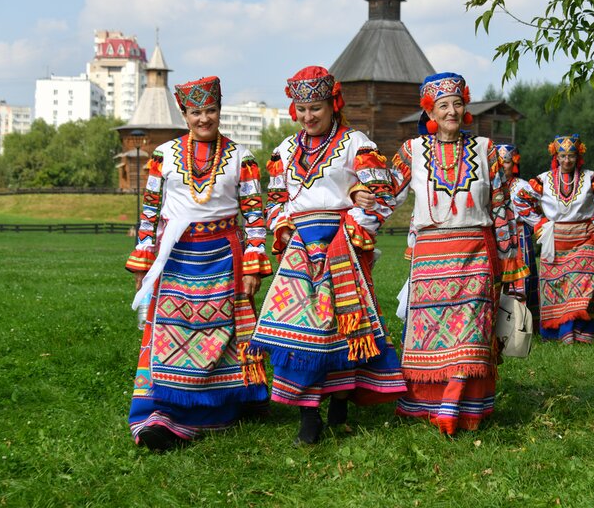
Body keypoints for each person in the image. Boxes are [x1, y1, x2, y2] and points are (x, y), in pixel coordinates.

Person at [249, 66, 407, 445]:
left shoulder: (356, 143)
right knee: (297, 329)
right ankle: (308, 414)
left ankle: (339, 403)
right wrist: (284, 227)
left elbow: (382, 195)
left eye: (315, 108)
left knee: (339, 328)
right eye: (302, 109)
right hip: (300, 248)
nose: (308, 117)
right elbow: (275, 202)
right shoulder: (285, 150)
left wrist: (355, 221)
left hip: (342, 244)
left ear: (333, 105)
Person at [125, 76, 273, 452]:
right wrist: (144, 261)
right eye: (196, 112)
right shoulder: (163, 156)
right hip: (175, 256)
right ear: (185, 114)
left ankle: (222, 403)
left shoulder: (241, 157)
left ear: (219, 111)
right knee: (171, 330)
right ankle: (162, 410)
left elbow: (255, 217)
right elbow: (149, 212)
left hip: (224, 255)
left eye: (210, 110)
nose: (203, 118)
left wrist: (253, 263)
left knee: (223, 332)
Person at [391, 72, 527, 435]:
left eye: (457, 103)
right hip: (430, 257)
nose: (451, 111)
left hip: (475, 253)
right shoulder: (412, 151)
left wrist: (510, 263)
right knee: (431, 332)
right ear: (430, 112)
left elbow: (501, 208)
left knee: (471, 329)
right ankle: (429, 404)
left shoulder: (486, 150)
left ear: (465, 107)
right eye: (443, 106)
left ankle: (453, 403)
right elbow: (387, 193)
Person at [513, 134, 594, 343]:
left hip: (584, 239)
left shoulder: (591, 178)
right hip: (554, 241)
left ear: (578, 156)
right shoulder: (543, 180)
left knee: (582, 285)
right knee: (555, 287)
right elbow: (520, 200)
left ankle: (578, 333)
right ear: (555, 156)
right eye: (562, 156)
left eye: (571, 155)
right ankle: (557, 333)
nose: (567, 160)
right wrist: (540, 223)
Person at [496, 144, 541, 327]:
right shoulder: (490, 186)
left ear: (514, 164)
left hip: (520, 237)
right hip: (496, 238)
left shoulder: (524, 187)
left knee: (524, 280)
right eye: (498, 162)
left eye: (506, 162)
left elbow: (537, 212)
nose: (502, 166)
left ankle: (523, 323)